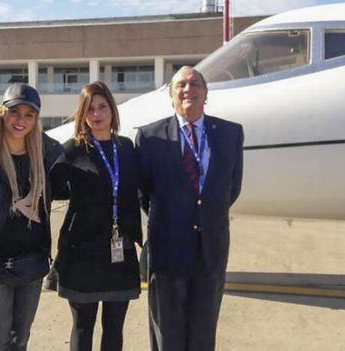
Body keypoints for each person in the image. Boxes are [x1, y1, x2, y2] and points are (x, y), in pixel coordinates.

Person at [135, 66, 244, 351]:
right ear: (171, 95)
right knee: (167, 331)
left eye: (195, 83)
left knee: (203, 331)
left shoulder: (230, 134)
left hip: (211, 249)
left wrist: (202, 215)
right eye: (180, 85)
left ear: (205, 94)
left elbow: (231, 188)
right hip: (167, 250)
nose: (188, 89)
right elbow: (143, 193)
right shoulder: (150, 138)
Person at [50, 81, 142, 351]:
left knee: (114, 328)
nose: (97, 114)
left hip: (119, 252)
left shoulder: (126, 148)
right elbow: (48, 188)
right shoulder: (72, 150)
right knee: (83, 326)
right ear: (83, 114)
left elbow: (142, 189)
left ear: (112, 110)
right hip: (82, 254)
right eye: (90, 109)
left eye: (102, 107)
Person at [0, 83, 61, 351]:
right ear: (2, 113)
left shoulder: (46, 155)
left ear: (36, 120)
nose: (20, 120)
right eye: (15, 112)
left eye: (29, 115)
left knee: (20, 340)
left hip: (31, 262)